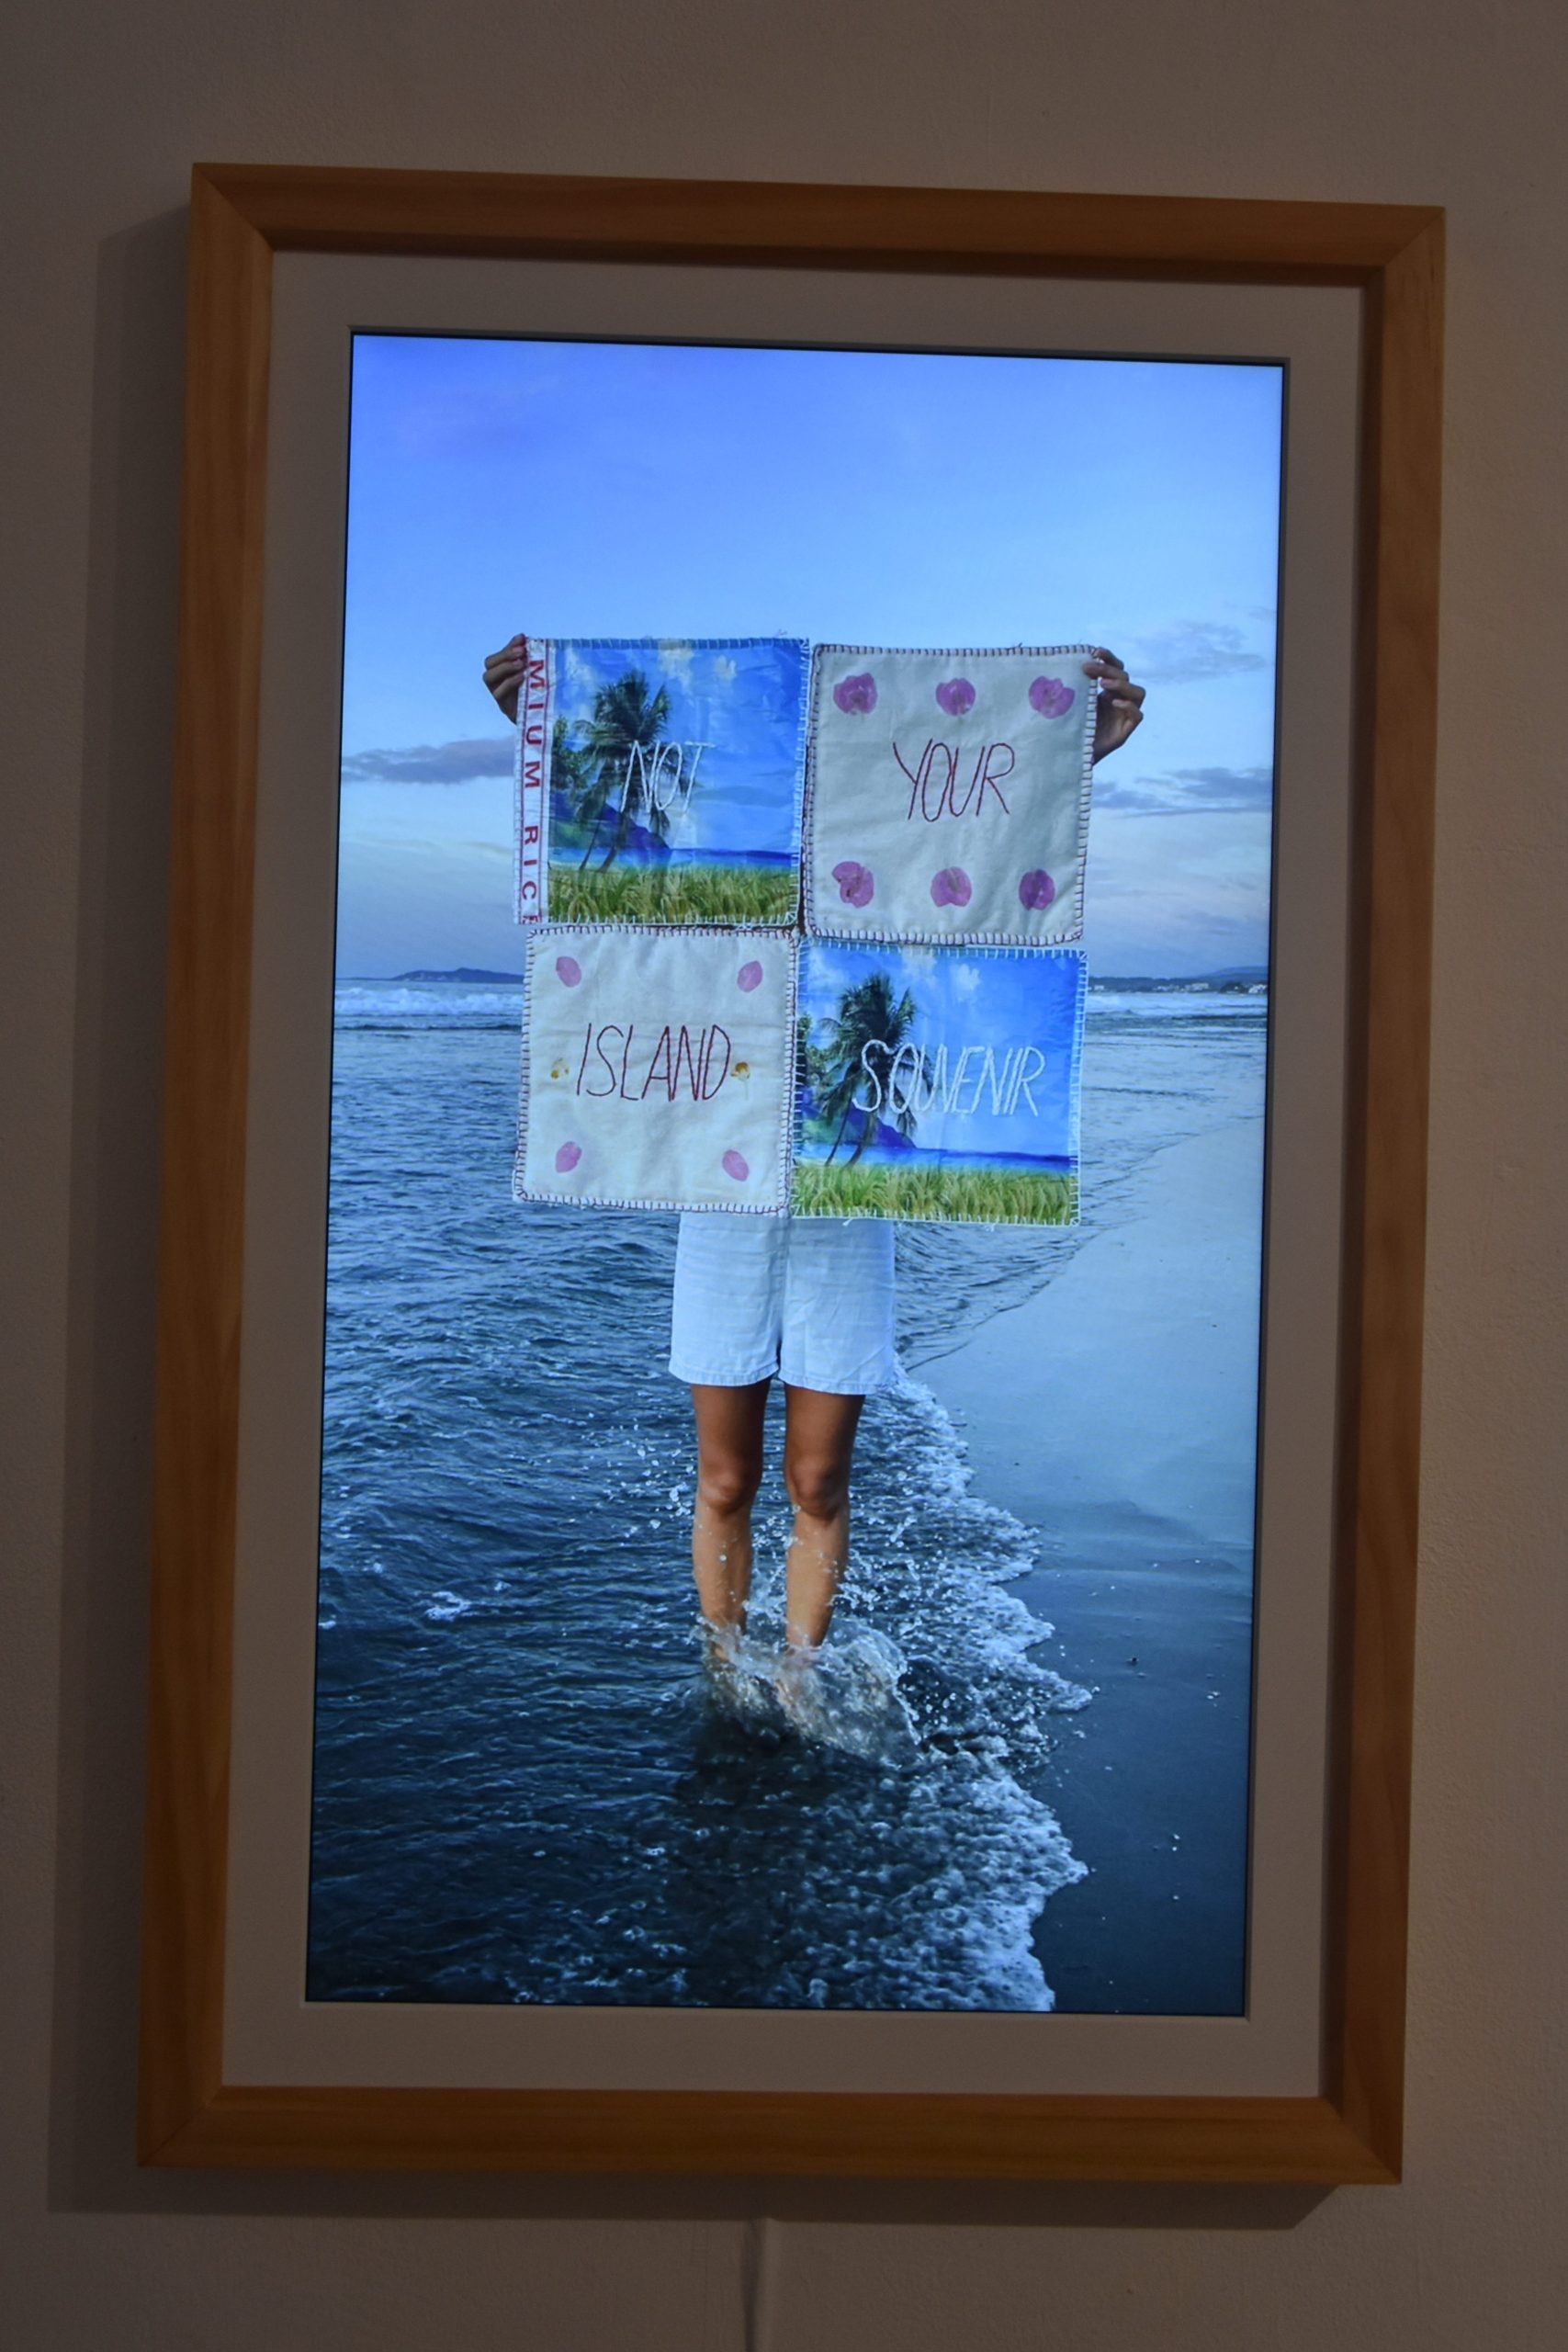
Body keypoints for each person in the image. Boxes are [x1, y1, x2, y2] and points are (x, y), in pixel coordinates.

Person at [483, 634, 1145, 1674]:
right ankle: (722, 1666)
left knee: (818, 1480)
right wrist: (540, 716)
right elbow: (629, 860)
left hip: (845, 1204)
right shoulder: (723, 869)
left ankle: (795, 1675)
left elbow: (969, 843)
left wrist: (1075, 748)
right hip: (726, 1192)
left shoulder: (874, 885)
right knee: (724, 1480)